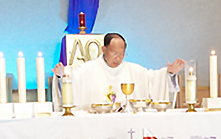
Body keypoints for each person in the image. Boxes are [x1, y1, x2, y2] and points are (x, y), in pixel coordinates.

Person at [53, 33, 183, 110]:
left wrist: (169, 74)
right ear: (104, 50)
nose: (118, 58)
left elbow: (153, 79)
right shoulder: (88, 69)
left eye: (122, 54)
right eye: (114, 53)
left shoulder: (134, 70)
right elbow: (72, 82)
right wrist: (61, 76)